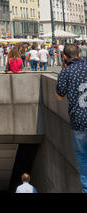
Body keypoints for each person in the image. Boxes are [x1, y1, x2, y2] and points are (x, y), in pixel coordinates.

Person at [56, 43, 87, 193]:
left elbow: (59, 97)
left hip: (79, 121)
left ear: (65, 57)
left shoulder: (66, 72)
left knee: (82, 157)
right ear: (80, 54)